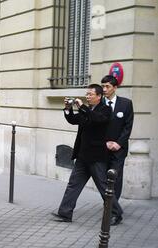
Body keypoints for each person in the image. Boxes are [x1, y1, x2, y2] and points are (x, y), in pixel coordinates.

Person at [52, 84, 124, 226]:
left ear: (99, 96)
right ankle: (65, 213)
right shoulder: (88, 109)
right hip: (82, 155)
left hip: (96, 157)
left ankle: (116, 213)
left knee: (103, 187)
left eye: (91, 94)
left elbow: (97, 119)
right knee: (73, 184)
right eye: (87, 94)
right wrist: (68, 109)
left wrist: (82, 107)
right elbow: (73, 120)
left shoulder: (105, 109)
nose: (88, 96)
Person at [101, 75, 134, 201]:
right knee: (103, 177)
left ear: (115, 87)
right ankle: (109, 204)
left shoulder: (126, 104)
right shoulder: (98, 104)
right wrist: (105, 143)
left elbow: (128, 126)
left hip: (119, 149)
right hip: (102, 147)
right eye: (103, 86)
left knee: (116, 176)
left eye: (107, 86)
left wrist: (118, 143)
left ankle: (113, 209)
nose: (104, 89)